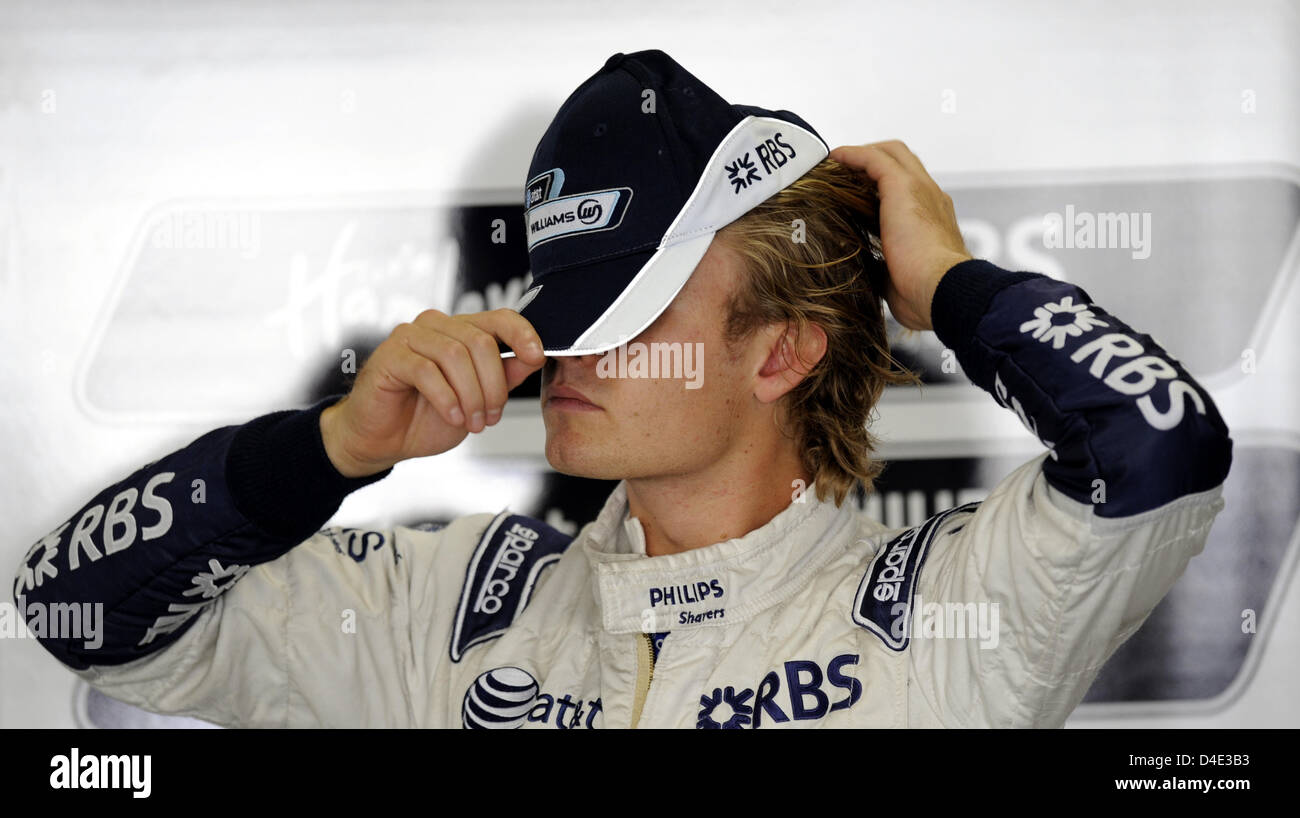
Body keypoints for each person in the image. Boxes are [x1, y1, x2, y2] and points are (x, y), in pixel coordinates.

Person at [14, 50, 1232, 728]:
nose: (565, 356)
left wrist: (953, 286)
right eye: (563, 312)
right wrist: (330, 447)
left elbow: (1158, 448)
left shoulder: (943, 612)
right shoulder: (453, 608)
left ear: (782, 350)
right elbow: (76, 606)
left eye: (625, 318)